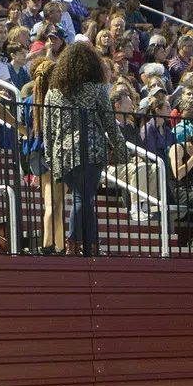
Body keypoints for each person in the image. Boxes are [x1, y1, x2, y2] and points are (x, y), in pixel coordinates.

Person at [41, 40, 126, 257]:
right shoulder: (97, 90)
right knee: (83, 198)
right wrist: (120, 148)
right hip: (91, 149)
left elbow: (47, 127)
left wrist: (50, 156)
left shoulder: (53, 93)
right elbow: (109, 121)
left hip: (63, 152)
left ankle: (91, 245)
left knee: (84, 198)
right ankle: (75, 244)